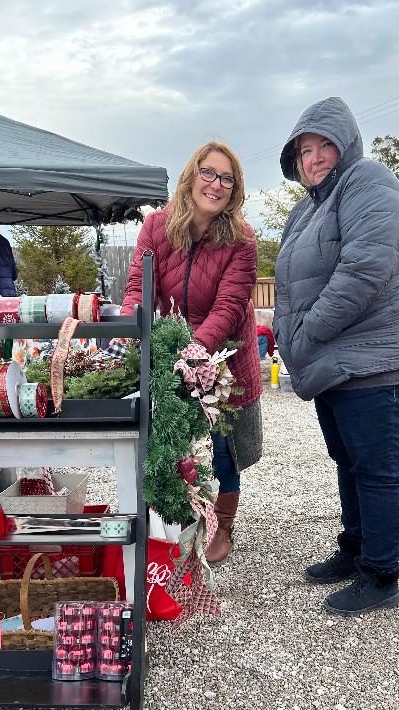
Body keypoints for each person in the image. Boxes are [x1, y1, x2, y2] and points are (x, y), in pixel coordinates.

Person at [274, 96, 399, 617]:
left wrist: (305, 337)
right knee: (348, 462)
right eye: (306, 149)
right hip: (340, 363)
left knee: (376, 470)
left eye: (326, 146)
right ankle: (355, 550)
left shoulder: (369, 182)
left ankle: (381, 574)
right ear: (295, 159)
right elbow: (290, 283)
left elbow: (363, 271)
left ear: (346, 147)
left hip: (382, 361)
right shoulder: (308, 207)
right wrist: (294, 336)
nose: (316, 157)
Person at [120, 141, 263, 563]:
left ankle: (224, 522)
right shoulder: (157, 227)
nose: (215, 185)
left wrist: (196, 351)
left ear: (234, 190)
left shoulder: (242, 239)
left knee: (224, 446)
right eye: (208, 173)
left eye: (226, 178)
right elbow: (137, 287)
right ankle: (179, 512)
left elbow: (229, 306)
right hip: (171, 349)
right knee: (173, 437)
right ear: (191, 175)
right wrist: (131, 328)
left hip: (224, 356)